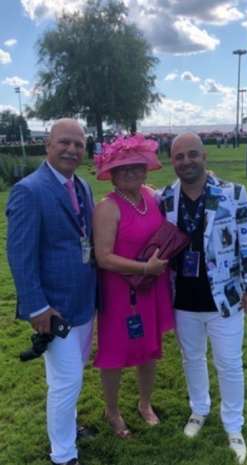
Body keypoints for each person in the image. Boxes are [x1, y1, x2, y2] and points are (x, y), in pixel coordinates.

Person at [161, 132, 247, 464]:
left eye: (192, 154)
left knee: (229, 364)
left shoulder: (233, 193)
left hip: (226, 298)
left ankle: (234, 425)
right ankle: (199, 409)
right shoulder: (165, 198)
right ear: (172, 161)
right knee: (191, 358)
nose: (186, 161)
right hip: (183, 299)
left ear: (205, 156)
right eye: (179, 157)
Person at [6, 118, 97, 465]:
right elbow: (19, 255)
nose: (72, 149)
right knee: (66, 381)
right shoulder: (29, 190)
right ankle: (63, 454)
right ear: (48, 144)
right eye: (64, 142)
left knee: (68, 377)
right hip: (53, 308)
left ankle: (70, 427)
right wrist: (37, 307)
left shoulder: (83, 186)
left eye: (78, 144)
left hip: (84, 302)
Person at [92, 134, 174, 438]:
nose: (132, 173)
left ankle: (144, 403)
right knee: (114, 354)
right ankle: (112, 411)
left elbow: (176, 195)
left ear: (145, 169)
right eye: (124, 169)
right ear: (111, 174)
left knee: (149, 350)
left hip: (150, 287)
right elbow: (103, 257)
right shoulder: (107, 208)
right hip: (119, 292)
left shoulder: (151, 196)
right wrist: (144, 267)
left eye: (137, 167)